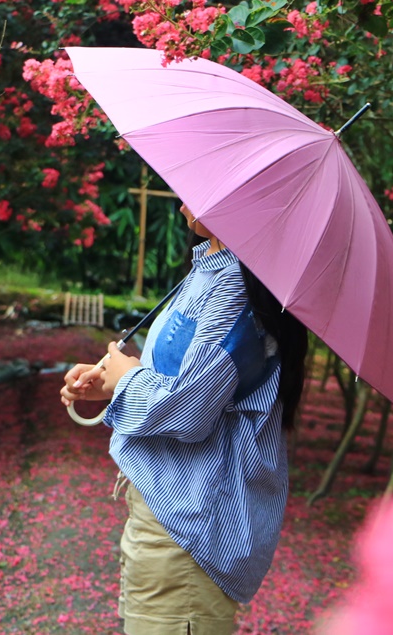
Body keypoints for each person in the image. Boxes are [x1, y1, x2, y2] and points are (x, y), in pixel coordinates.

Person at [59, 202, 309, 635]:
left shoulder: (236, 290)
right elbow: (186, 381)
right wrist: (111, 382)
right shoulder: (209, 269)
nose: (181, 202)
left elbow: (189, 412)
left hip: (187, 532)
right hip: (163, 517)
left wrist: (129, 376)